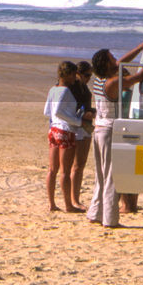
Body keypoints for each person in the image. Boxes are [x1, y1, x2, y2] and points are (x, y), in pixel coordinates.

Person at [86, 37, 143, 227]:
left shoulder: (99, 80)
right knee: (111, 176)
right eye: (111, 58)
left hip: (99, 128)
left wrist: (141, 45)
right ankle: (109, 218)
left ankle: (95, 213)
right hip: (109, 130)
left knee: (101, 176)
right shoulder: (112, 83)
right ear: (107, 65)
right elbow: (140, 77)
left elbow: (120, 62)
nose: (116, 60)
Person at [43, 61, 84, 213]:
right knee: (65, 171)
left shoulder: (53, 89)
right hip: (65, 130)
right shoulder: (66, 91)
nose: (75, 77)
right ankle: (68, 205)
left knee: (52, 169)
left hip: (53, 129)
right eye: (73, 74)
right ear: (67, 75)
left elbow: (48, 111)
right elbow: (59, 111)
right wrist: (77, 120)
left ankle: (52, 203)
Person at [70, 61, 95, 210]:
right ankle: (74, 199)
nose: (88, 78)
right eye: (86, 75)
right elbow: (73, 109)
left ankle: (75, 198)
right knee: (77, 166)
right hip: (79, 126)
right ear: (78, 74)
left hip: (85, 126)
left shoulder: (82, 87)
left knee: (80, 165)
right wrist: (86, 114)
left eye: (90, 75)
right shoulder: (73, 88)